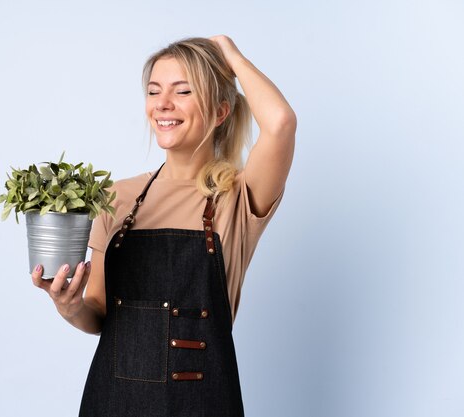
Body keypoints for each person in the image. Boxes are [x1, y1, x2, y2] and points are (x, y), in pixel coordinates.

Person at [31, 35, 296, 416]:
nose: (163, 105)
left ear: (220, 112)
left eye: (183, 90)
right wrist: (68, 306)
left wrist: (229, 54)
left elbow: (281, 123)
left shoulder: (238, 196)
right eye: (154, 92)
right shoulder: (115, 197)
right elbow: (99, 312)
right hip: (113, 404)